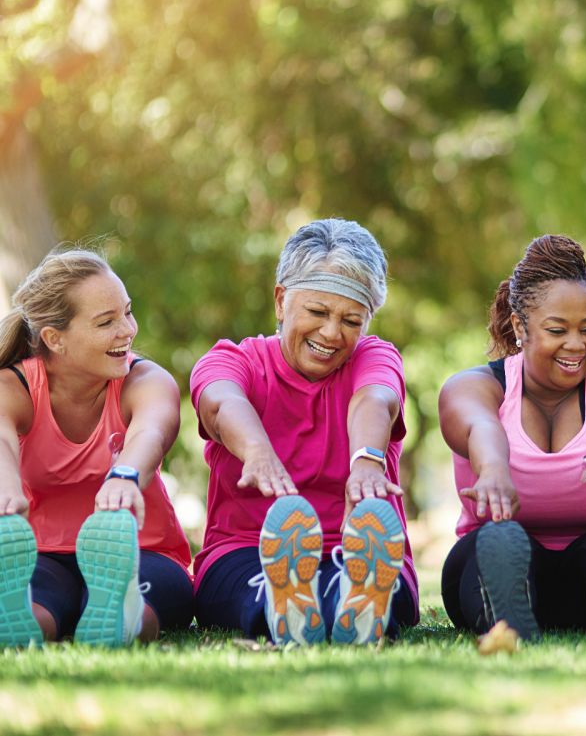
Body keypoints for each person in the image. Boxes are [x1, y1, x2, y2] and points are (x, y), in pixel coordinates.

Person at [191, 219, 416, 646]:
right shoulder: (235, 360)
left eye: (351, 320)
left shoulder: (374, 357)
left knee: (380, 588)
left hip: (359, 551)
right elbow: (221, 402)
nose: (332, 333)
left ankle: (346, 599)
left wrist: (366, 461)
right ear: (280, 300)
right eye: (317, 312)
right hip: (245, 550)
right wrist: (256, 450)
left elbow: (375, 399)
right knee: (245, 587)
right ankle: (293, 601)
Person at [439, 235, 586, 641]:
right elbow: (481, 426)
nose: (576, 344)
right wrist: (492, 470)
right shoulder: (474, 387)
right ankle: (509, 616)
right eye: (557, 329)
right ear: (519, 327)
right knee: (500, 539)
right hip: (496, 564)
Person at [0, 249, 192, 647]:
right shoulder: (14, 387)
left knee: (144, 607)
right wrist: (5, 491)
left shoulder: (145, 381)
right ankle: (21, 618)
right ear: (55, 339)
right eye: (107, 322)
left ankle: (124, 613)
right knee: (35, 615)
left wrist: (126, 474)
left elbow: (152, 432)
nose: (128, 330)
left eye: (127, 312)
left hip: (142, 552)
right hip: (42, 557)